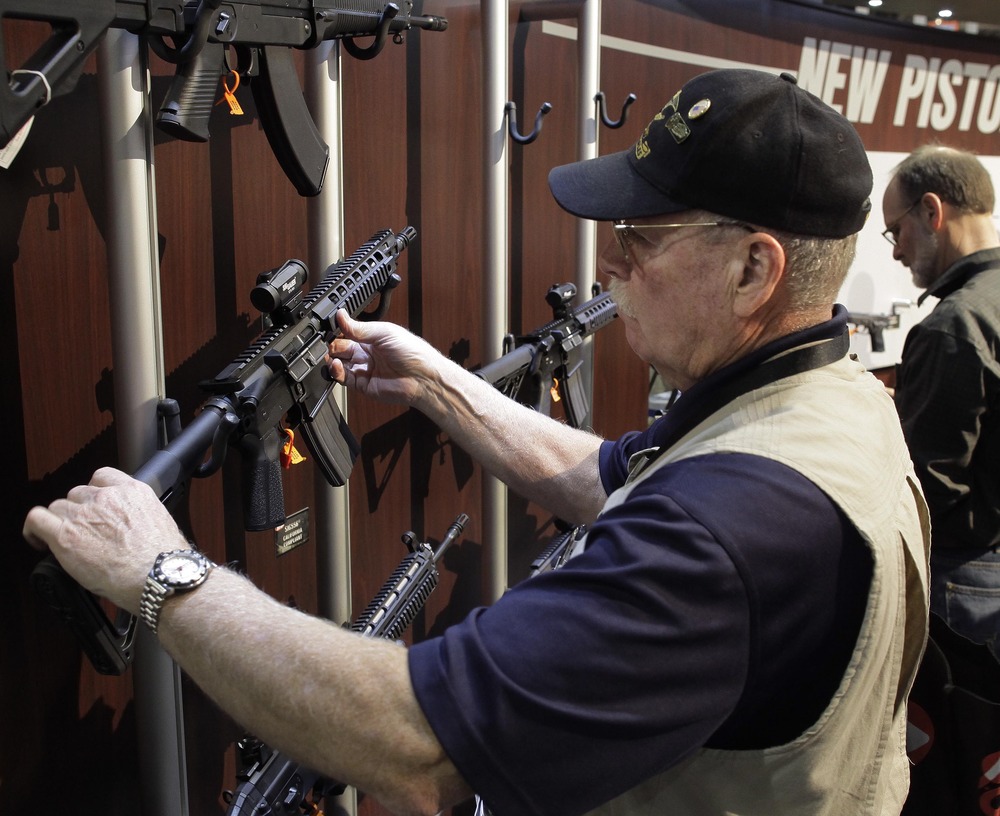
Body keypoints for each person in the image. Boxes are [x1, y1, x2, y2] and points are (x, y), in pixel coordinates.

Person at [24, 69, 929, 816]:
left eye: (641, 239)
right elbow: (613, 474)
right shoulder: (829, 402)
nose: (608, 264)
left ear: (753, 270)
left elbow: (418, 746)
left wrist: (160, 571)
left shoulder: (729, 532)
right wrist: (433, 381)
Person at [882, 145, 1000, 658]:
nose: (896, 251)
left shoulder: (955, 325)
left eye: (896, 230)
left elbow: (928, 487)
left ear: (932, 212)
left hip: (964, 579)